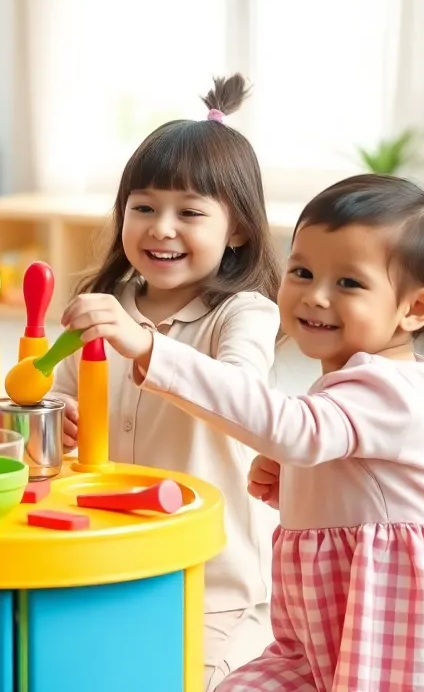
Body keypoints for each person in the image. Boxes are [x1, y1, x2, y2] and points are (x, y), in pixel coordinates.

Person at [65, 174, 424, 690]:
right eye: (301, 271)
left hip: (395, 621)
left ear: (414, 309)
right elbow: (327, 452)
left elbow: (293, 430)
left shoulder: (392, 389)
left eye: (348, 283)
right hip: (318, 628)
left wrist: (149, 349)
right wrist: (300, 476)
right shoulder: (343, 385)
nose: (314, 297)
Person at [49, 75, 283, 688]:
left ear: (236, 229)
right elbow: (58, 388)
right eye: (144, 208)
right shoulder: (102, 300)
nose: (161, 228)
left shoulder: (245, 313)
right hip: (105, 560)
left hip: (211, 583)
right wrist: (54, 411)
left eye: (190, 212)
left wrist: (144, 343)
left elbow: (247, 403)